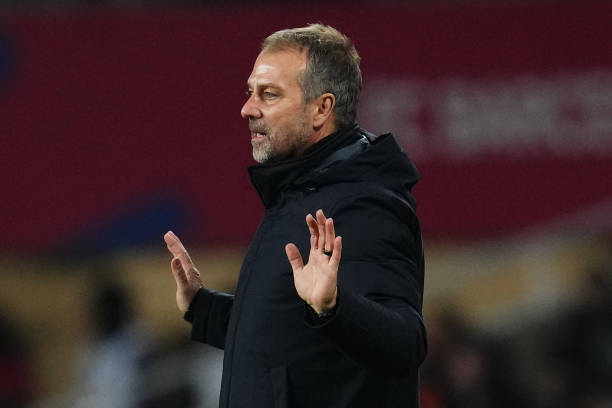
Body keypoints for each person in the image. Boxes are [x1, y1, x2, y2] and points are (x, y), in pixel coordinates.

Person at [164, 24, 427, 407]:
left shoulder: (363, 206)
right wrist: (202, 307)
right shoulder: (301, 193)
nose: (247, 108)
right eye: (250, 92)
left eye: (269, 94)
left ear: (321, 108)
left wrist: (334, 307)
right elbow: (283, 339)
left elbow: (405, 344)